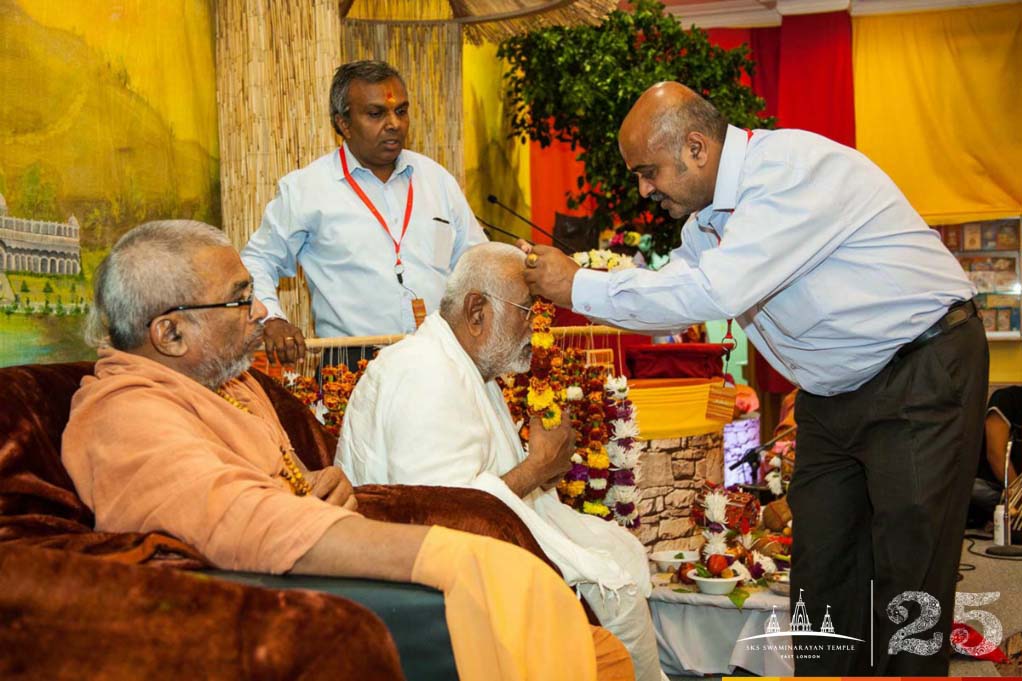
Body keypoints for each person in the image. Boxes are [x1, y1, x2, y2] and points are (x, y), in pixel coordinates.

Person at [521, 82, 987, 676]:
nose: (644, 189)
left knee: (909, 574)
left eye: (648, 171)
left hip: (920, 367)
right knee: (823, 573)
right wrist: (583, 279)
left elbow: (716, 290)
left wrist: (575, 285)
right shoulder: (707, 223)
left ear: (695, 147)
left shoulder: (789, 172)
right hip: (831, 392)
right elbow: (677, 292)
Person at [62, 220, 631, 681]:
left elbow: (274, 488)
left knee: (594, 644)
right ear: (170, 334)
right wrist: (445, 555)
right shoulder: (126, 416)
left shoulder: (226, 386)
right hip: (276, 613)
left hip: (310, 573)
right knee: (575, 641)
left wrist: (315, 486)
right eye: (241, 301)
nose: (262, 312)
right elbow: (242, 522)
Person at [337, 242, 665, 681]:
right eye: (527, 311)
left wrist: (541, 470)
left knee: (614, 558)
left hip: (481, 555)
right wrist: (536, 469)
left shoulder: (465, 366)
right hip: (424, 586)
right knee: (616, 597)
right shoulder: (424, 374)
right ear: (477, 312)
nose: (535, 326)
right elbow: (440, 514)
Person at [241, 60, 486, 366]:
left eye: (401, 111)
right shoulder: (307, 189)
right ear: (343, 124)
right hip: (353, 363)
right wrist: (272, 319)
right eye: (376, 113)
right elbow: (258, 260)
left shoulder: (437, 180)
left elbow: (476, 260)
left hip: (442, 358)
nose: (394, 123)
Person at [970, 387, 1022, 526]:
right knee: (970, 488)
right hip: (992, 486)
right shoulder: (1007, 398)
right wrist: (1018, 495)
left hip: (1012, 495)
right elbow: (995, 455)